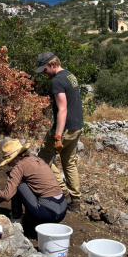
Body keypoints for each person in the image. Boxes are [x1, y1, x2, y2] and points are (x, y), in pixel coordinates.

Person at [35, 51, 84, 212]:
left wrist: (57, 136)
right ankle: (76, 201)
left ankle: (64, 193)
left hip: (65, 128)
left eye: (44, 69)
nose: (43, 73)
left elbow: (62, 109)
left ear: (53, 64)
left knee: (43, 158)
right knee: (69, 162)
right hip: (77, 126)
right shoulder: (70, 75)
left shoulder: (57, 81)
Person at [0, 139, 67, 225]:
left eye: (8, 162)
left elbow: (7, 195)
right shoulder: (37, 160)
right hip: (62, 209)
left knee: (17, 184)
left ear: (15, 158)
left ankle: (16, 221)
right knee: (28, 183)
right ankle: (31, 218)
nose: (8, 165)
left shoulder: (18, 167)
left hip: (48, 213)